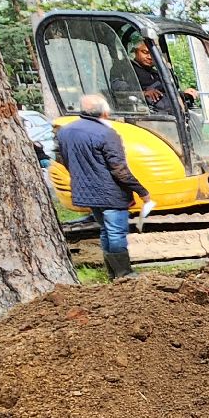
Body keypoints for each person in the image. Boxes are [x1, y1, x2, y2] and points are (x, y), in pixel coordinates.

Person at [56, 94, 152, 279]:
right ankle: (124, 273)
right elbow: (119, 170)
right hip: (110, 193)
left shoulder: (65, 131)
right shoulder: (107, 134)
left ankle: (113, 273)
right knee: (116, 232)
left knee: (105, 230)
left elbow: (66, 161)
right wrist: (142, 192)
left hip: (87, 192)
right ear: (105, 112)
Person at [114, 38, 177, 115]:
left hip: (167, 112)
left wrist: (183, 95)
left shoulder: (156, 73)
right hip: (141, 113)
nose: (149, 57)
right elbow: (117, 87)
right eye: (145, 52)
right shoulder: (125, 67)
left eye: (153, 55)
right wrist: (143, 93)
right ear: (135, 51)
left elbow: (169, 90)